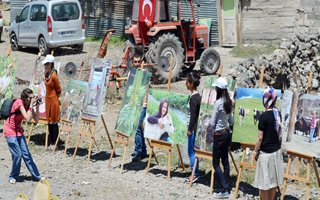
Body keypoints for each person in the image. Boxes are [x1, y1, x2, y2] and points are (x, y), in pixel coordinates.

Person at [4, 88, 42, 184]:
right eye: (30, 98)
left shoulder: (28, 105)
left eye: (32, 97)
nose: (31, 99)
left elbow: (36, 120)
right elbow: (28, 118)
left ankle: (37, 176)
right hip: (10, 131)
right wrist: (30, 106)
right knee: (18, 155)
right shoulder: (19, 102)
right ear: (24, 98)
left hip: (18, 131)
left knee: (26, 154)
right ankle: (13, 176)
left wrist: (36, 106)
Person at [253, 87, 284, 200]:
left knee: (263, 185)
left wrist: (255, 151)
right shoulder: (278, 114)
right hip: (276, 152)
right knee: (273, 182)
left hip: (265, 155)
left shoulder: (263, 116)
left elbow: (260, 138)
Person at [207, 77, 233, 199]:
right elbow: (231, 120)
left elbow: (212, 122)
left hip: (218, 135)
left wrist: (207, 126)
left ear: (218, 89)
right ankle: (227, 184)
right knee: (225, 161)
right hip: (227, 133)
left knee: (215, 163)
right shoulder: (229, 102)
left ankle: (224, 188)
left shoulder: (218, 103)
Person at [131, 53, 149, 162]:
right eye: (135, 62)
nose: (137, 64)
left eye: (139, 62)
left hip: (142, 104)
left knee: (137, 127)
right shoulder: (131, 74)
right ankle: (143, 151)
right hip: (134, 104)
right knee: (139, 128)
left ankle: (138, 151)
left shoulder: (145, 74)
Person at [185, 72, 201, 183]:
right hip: (197, 128)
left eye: (187, 82)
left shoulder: (193, 99)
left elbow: (193, 116)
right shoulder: (198, 96)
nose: (185, 84)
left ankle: (194, 173)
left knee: (191, 152)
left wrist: (189, 129)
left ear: (191, 84)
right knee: (194, 152)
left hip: (193, 129)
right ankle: (195, 172)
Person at [43, 55, 61, 147]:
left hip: (53, 100)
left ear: (50, 64)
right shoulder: (46, 74)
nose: (44, 66)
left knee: (54, 121)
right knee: (49, 121)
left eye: (46, 64)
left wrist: (56, 97)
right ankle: (51, 141)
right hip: (48, 99)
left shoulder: (54, 75)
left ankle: (55, 142)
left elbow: (58, 89)